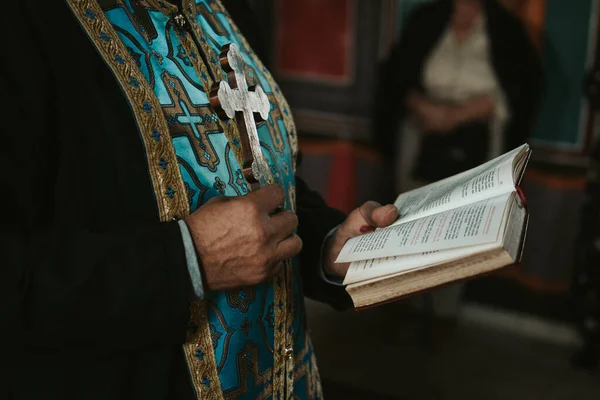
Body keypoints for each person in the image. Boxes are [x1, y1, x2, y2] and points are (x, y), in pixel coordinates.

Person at [0, 1, 398, 399]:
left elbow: (251, 176)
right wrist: (186, 259)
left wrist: (327, 242)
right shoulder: (23, 22)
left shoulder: (228, 7)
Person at [373, 0, 542, 327]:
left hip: (477, 134)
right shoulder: (428, 19)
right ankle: (405, 302)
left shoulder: (504, 27)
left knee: (461, 223)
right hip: (423, 128)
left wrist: (459, 115)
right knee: (408, 217)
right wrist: (423, 107)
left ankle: (443, 312)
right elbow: (396, 76)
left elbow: (523, 87)